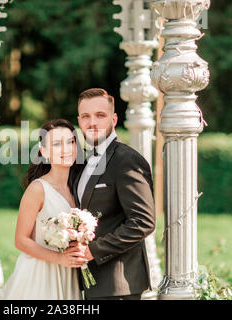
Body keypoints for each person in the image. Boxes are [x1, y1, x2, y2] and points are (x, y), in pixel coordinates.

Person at [67, 88, 156, 300]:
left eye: (100, 115)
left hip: (119, 285)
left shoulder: (126, 160)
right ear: (79, 121)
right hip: (91, 283)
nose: (92, 123)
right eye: (86, 116)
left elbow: (143, 221)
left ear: (114, 119)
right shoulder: (84, 162)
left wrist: (93, 251)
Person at [0, 119, 86, 300]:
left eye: (70, 142)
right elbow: (20, 240)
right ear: (44, 151)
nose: (66, 149)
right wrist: (58, 258)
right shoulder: (38, 189)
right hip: (40, 273)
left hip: (68, 274)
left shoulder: (79, 187)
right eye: (56, 144)